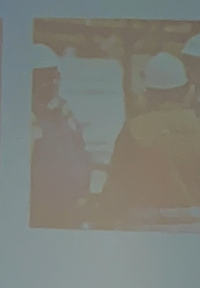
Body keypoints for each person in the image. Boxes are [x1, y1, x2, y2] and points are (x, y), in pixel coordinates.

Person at [98, 51, 200, 229]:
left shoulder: (134, 129)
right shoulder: (195, 126)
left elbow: (116, 186)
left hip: (146, 227)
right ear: (185, 90)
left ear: (149, 93)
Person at [30, 43, 93, 228]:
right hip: (40, 211)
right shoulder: (26, 119)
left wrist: (82, 193)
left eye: (55, 76)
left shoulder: (66, 114)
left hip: (69, 208)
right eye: (45, 78)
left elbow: (80, 155)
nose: (53, 83)